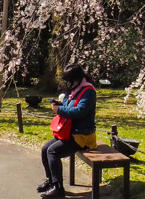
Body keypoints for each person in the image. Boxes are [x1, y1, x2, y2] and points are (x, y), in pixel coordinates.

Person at [38, 64, 97, 199]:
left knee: (53, 151)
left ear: (76, 78)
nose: (68, 83)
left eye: (69, 80)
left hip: (82, 135)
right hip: (70, 132)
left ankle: (58, 188)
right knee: (45, 149)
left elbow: (79, 112)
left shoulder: (88, 91)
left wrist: (59, 110)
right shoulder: (76, 89)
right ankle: (52, 181)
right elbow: (70, 106)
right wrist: (61, 104)